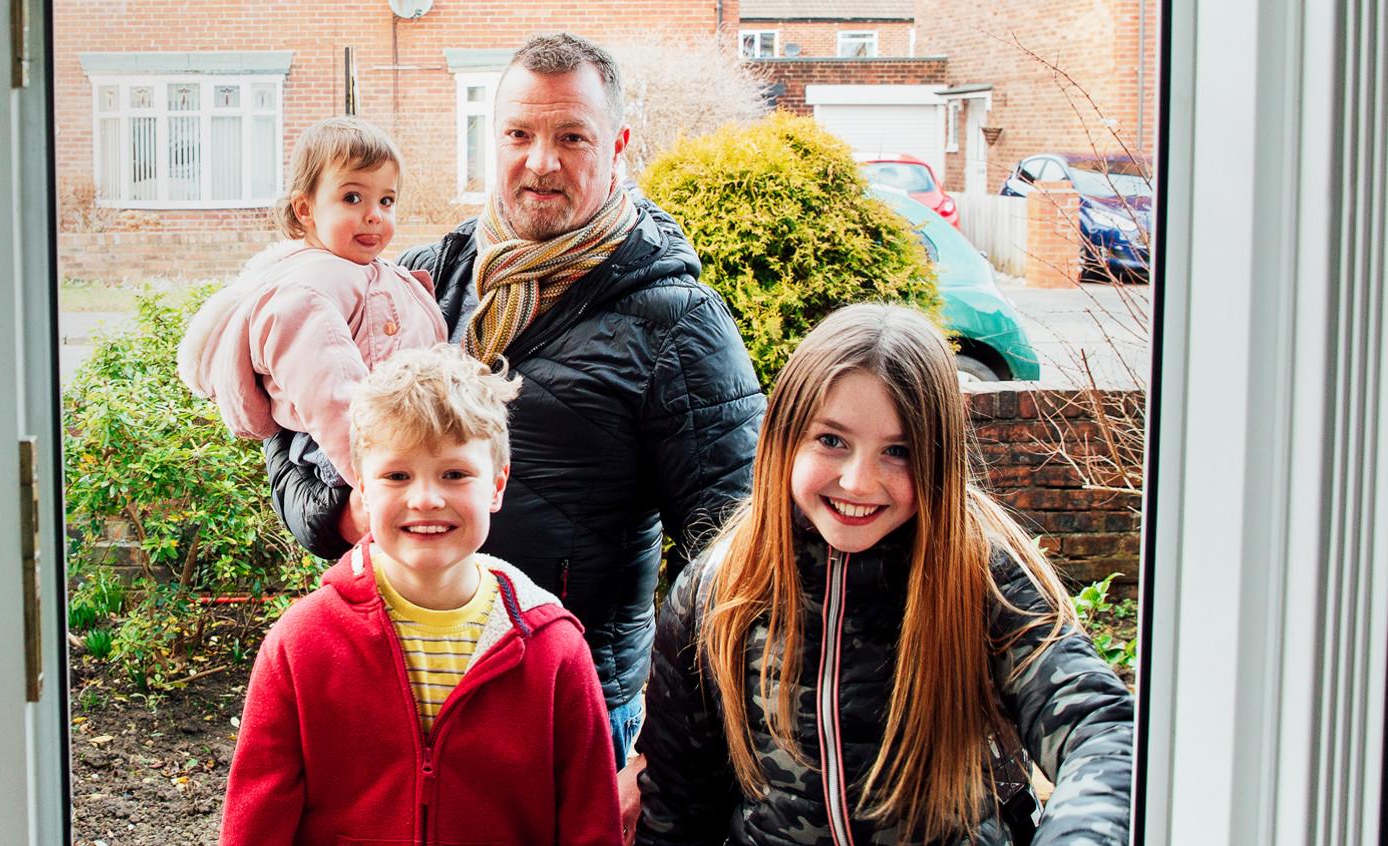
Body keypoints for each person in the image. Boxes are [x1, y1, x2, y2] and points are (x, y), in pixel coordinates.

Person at [261, 31, 766, 831]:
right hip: (396, 697)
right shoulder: (414, 285)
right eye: (519, 135)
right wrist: (350, 511)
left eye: (572, 137)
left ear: (618, 145)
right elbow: (288, 447)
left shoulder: (678, 324)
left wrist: (659, 758)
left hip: (567, 716)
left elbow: (741, 564)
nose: (540, 162)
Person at [637, 304, 1134, 845]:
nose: (857, 481)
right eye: (831, 440)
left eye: (898, 452)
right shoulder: (719, 589)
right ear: (782, 438)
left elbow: (1102, 731)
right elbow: (676, 809)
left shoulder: (981, 575)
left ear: (939, 459)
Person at [221, 345, 621, 846]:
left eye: (454, 474)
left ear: (496, 485)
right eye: (397, 476)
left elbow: (590, 822)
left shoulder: (555, 651)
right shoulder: (301, 644)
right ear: (362, 491)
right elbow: (256, 824)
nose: (426, 498)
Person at [179, 116, 446, 490]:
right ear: (305, 209)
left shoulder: (371, 272)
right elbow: (333, 399)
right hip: (350, 453)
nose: (375, 214)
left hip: (396, 444)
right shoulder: (306, 292)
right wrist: (384, 485)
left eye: (387, 200)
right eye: (352, 197)